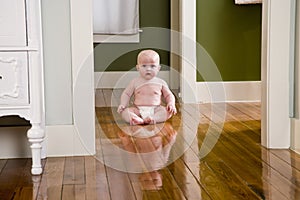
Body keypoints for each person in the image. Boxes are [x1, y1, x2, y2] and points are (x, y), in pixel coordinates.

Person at [117, 49, 177, 125]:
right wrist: (123, 104)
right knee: (125, 113)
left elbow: (169, 95)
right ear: (138, 67)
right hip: (137, 109)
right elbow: (126, 94)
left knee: (167, 112)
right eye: (144, 66)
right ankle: (136, 118)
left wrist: (171, 104)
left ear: (158, 68)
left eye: (152, 66)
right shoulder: (135, 82)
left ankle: (153, 118)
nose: (148, 69)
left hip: (156, 109)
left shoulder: (161, 82)